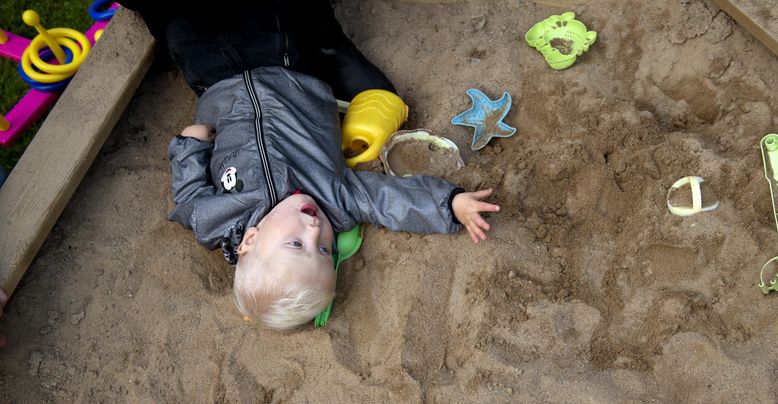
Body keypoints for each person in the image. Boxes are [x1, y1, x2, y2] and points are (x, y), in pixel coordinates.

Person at [123, 0, 499, 330]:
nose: (315, 229)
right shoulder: (335, 200)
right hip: (287, 68)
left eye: (295, 242)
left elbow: (188, 197)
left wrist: (190, 146)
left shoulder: (215, 220)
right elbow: (388, 201)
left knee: (183, 24)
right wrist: (450, 205)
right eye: (323, 251)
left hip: (216, 82)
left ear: (249, 242)